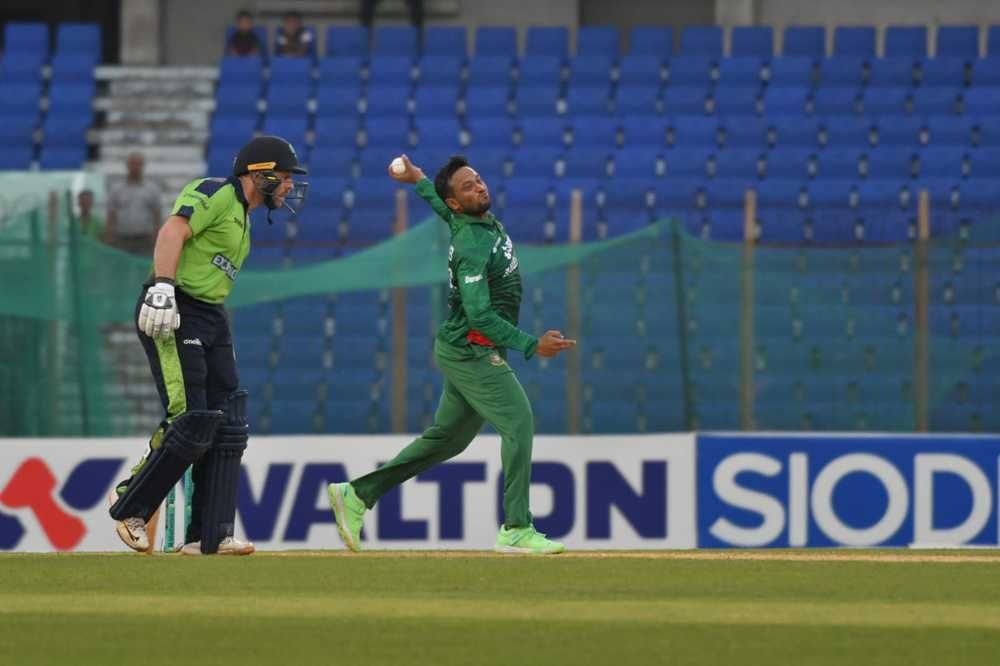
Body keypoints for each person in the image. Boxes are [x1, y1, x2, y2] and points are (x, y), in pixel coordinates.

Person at [327, 154, 576, 555]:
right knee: (518, 421)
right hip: (470, 350)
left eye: (477, 179)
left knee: (447, 441)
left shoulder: (469, 219)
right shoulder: (471, 244)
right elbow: (479, 314)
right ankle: (516, 526)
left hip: (467, 347)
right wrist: (532, 344)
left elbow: (442, 208)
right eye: (467, 186)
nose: (479, 186)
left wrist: (418, 178)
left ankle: (356, 495)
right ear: (459, 203)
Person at [108, 136, 308, 556]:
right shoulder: (215, 192)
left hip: (212, 315)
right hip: (175, 307)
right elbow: (173, 229)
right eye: (285, 178)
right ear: (261, 174)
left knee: (228, 419)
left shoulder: (244, 218)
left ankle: (210, 535)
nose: (289, 187)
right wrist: (162, 286)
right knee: (192, 417)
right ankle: (131, 504)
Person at [105, 153, 162, 256]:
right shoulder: (117, 189)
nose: (135, 167)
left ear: (143, 166)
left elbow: (157, 215)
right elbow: (111, 215)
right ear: (128, 166)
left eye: (138, 164)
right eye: (133, 164)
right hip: (122, 239)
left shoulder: (151, 189)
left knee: (143, 269)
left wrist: (157, 237)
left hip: (145, 239)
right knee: (123, 269)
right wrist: (109, 237)